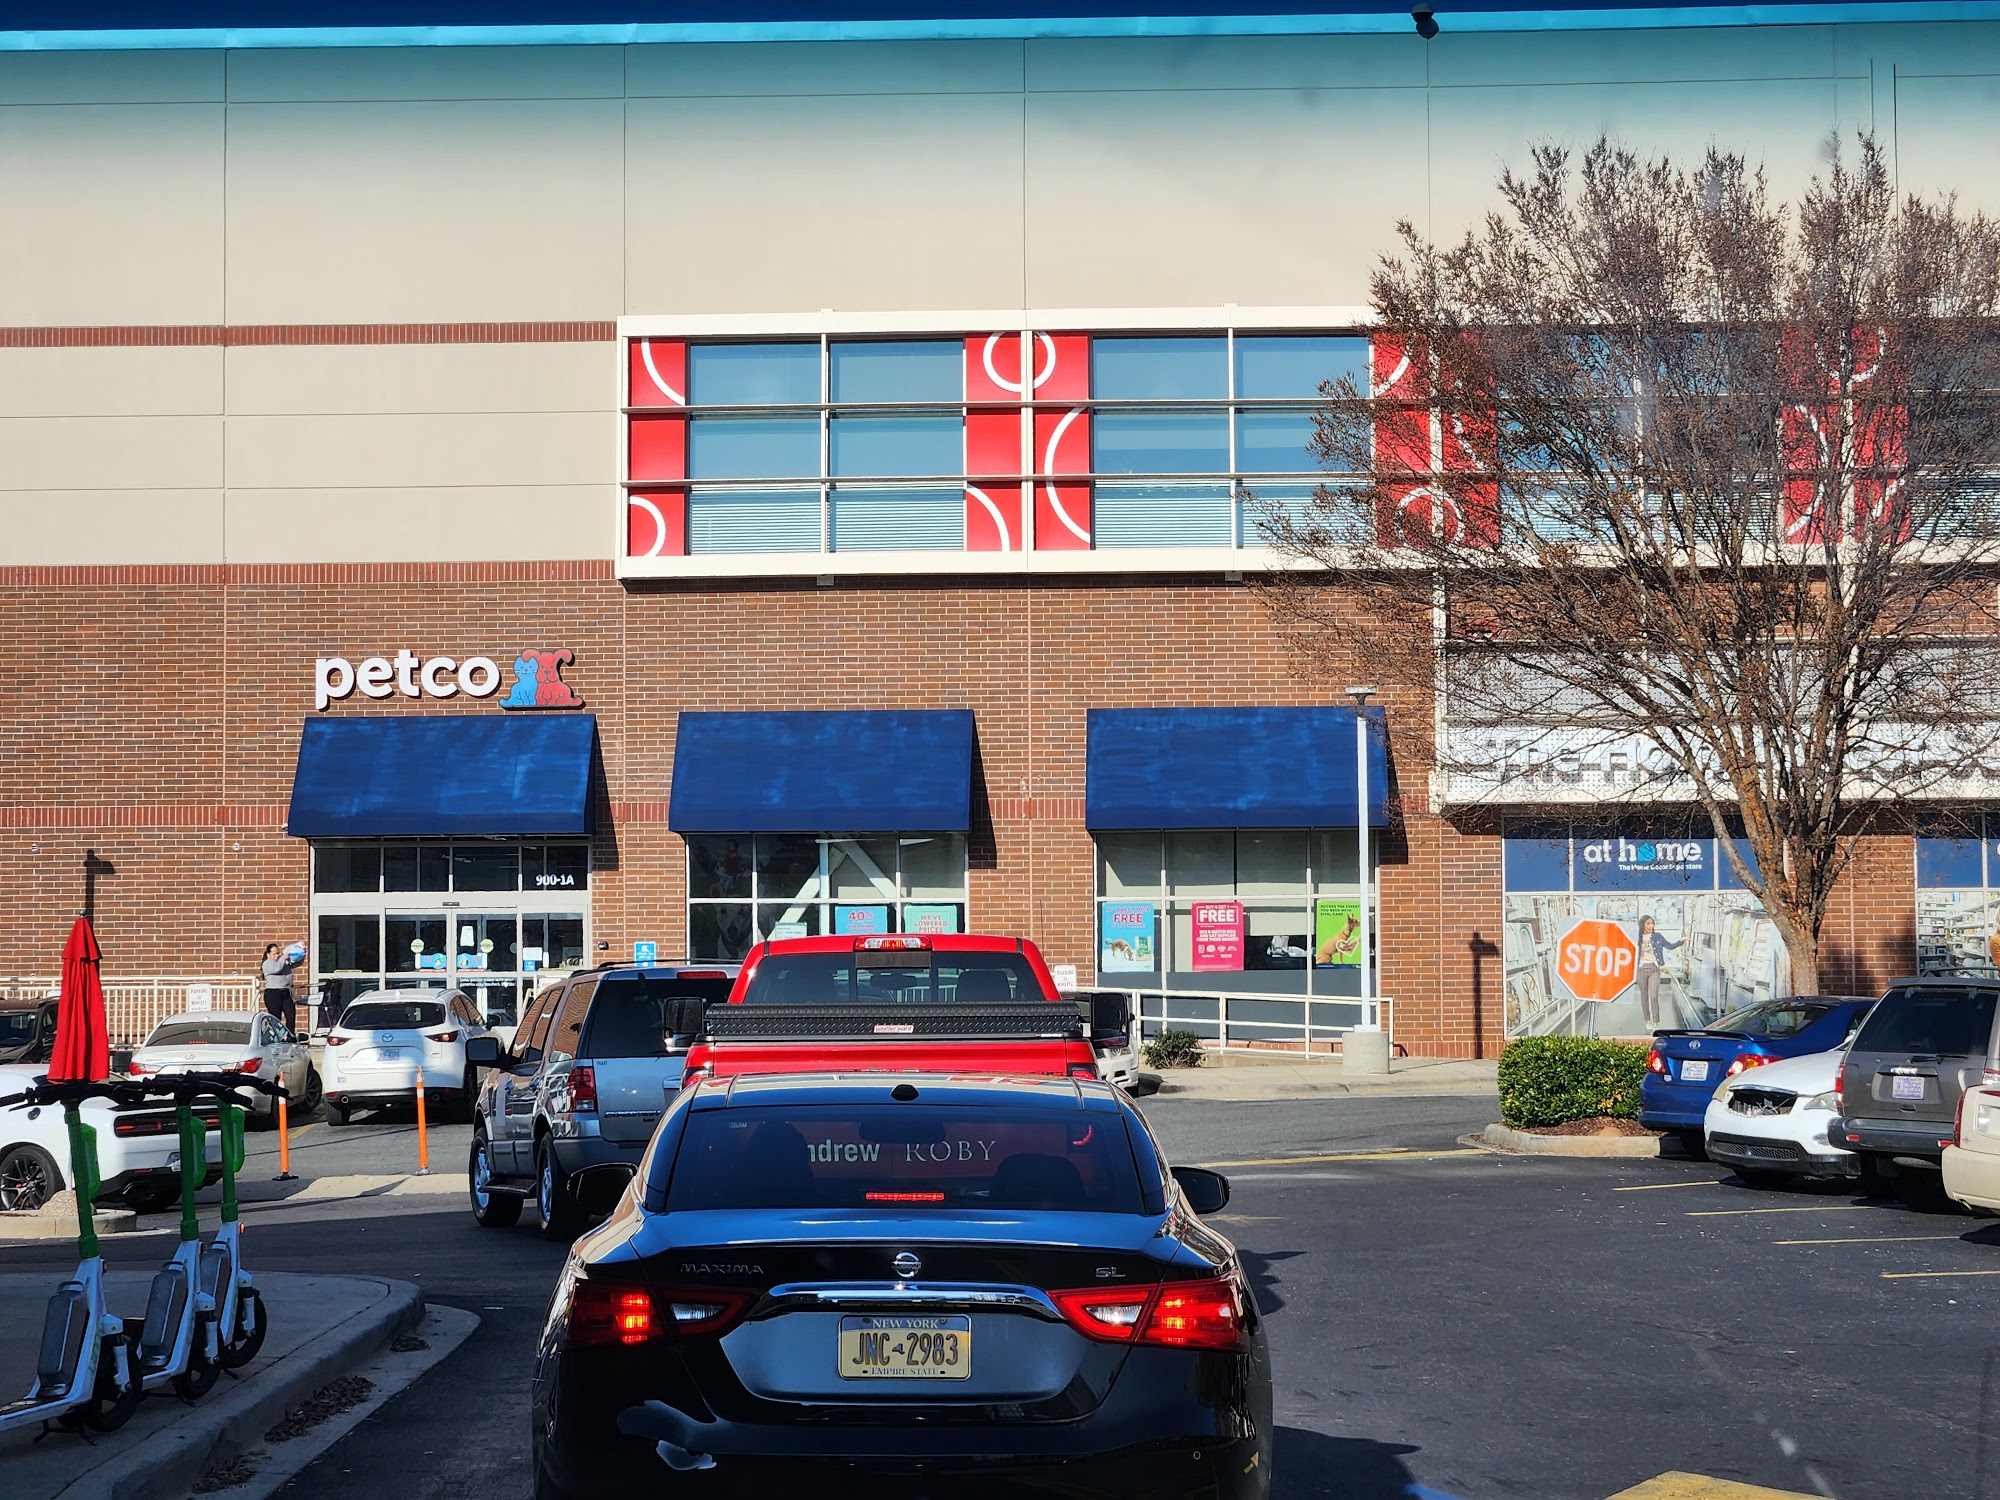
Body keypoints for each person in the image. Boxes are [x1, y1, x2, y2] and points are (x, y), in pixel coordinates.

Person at [1635, 915, 1684, 1029]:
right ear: (1642, 925)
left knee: (1653, 996)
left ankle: (1656, 1021)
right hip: (1641, 969)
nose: (1651, 926)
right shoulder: (1637, 937)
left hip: (1655, 969)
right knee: (1644, 996)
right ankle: (1647, 1020)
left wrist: (1680, 941)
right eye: (1648, 923)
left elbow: (1669, 946)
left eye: (1652, 923)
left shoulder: (1657, 936)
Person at [261, 940, 305, 1034]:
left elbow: (296, 963)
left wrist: (302, 952)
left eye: (278, 953)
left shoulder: (283, 962)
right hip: (273, 993)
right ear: (268, 954)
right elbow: (276, 969)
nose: (277, 956)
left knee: (291, 1016)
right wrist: (283, 957)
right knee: (276, 1018)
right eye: (274, 954)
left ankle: (290, 1036)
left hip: (286, 992)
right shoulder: (267, 963)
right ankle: (276, 1036)